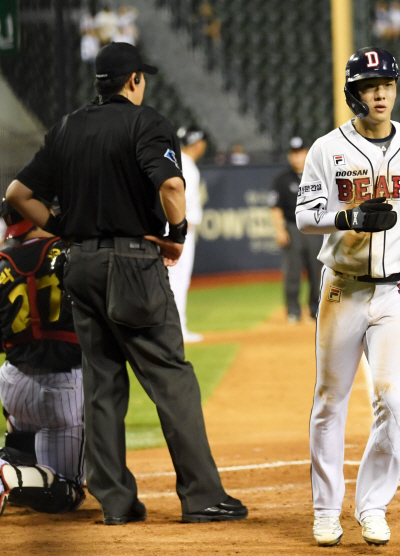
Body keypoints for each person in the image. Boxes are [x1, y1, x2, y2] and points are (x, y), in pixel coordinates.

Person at [5, 42, 247, 525]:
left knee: (102, 385)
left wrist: (63, 229)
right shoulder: (147, 122)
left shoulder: (67, 127)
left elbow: (17, 193)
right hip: (132, 263)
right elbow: (172, 187)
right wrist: (175, 234)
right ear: (134, 80)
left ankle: (115, 502)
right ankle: (202, 497)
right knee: (172, 379)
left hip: (79, 264)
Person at [296, 47, 400, 547]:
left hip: (398, 291)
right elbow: (304, 216)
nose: (381, 93)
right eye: (370, 85)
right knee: (329, 401)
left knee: (393, 399)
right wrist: (348, 217)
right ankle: (326, 510)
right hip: (342, 289)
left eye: (387, 83)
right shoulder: (328, 148)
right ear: (353, 93)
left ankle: (373, 506)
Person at [0, 201, 85, 516]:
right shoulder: (70, 251)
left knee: (22, 445)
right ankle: (6, 476)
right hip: (63, 388)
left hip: (13, 382)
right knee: (69, 492)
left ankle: (12, 461)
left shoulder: (2, 263)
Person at [269, 137, 323, 323]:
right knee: (292, 271)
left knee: (317, 271)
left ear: (307, 153)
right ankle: (293, 311)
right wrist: (279, 230)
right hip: (293, 227)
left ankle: (315, 310)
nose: (297, 157)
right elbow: (276, 208)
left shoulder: (319, 175)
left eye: (300, 152)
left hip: (316, 226)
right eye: (293, 153)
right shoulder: (282, 180)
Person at [171, 125, 206, 343]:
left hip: (170, 229)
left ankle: (173, 328)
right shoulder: (189, 167)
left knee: (173, 280)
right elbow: (183, 200)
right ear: (198, 143)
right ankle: (178, 328)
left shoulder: (173, 161)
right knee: (179, 280)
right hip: (181, 230)